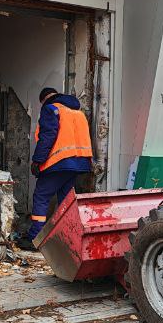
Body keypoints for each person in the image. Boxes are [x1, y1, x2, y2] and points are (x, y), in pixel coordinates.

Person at [21, 86, 93, 248]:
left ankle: (35, 238)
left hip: (58, 162)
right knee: (66, 202)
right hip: (78, 164)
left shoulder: (50, 109)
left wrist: (37, 161)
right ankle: (66, 239)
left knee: (41, 196)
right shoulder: (78, 113)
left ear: (44, 100)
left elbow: (47, 137)